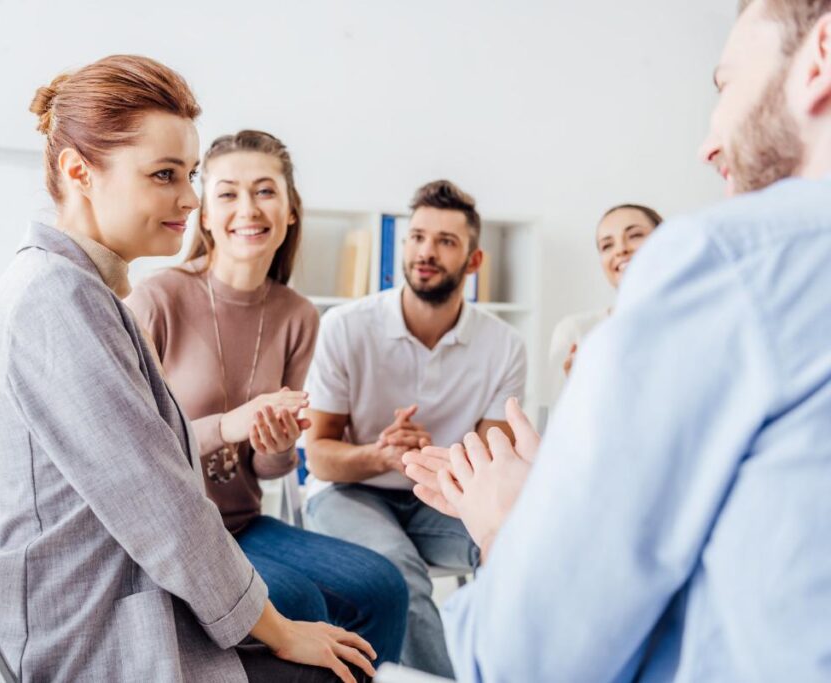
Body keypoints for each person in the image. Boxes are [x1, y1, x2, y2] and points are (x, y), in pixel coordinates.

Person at [403, 1, 831, 679]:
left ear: (822, 54)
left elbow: (532, 659)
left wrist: (511, 520)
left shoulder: (726, 259)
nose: (709, 144)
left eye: (726, 85)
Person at [0, 55, 376, 683]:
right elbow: (160, 506)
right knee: (337, 670)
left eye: (190, 174)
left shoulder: (79, 289)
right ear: (78, 172)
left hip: (110, 585)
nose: (191, 198)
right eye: (164, 175)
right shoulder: (56, 300)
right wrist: (281, 631)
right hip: (80, 630)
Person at [125, 129, 408, 667]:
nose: (248, 209)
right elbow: (134, 448)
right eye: (228, 193)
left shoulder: (297, 315)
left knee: (383, 585)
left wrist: (275, 445)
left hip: (242, 524)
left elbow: (271, 468)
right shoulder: (158, 299)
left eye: (265, 191)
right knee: (299, 602)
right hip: (175, 532)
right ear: (206, 215)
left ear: (290, 210)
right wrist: (229, 425)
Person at [303, 180, 527, 678]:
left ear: (474, 261)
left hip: (443, 495)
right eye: (418, 237)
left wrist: (432, 463)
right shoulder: (345, 326)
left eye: (446, 241)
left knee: (524, 542)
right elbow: (318, 456)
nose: (426, 251)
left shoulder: (504, 345)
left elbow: (494, 468)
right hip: (349, 492)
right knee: (397, 574)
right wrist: (380, 456)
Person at [547, 204, 662, 385]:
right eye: (607, 245)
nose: (621, 249)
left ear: (666, 240)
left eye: (635, 235)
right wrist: (581, 388)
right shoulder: (575, 332)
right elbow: (555, 402)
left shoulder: (696, 323)